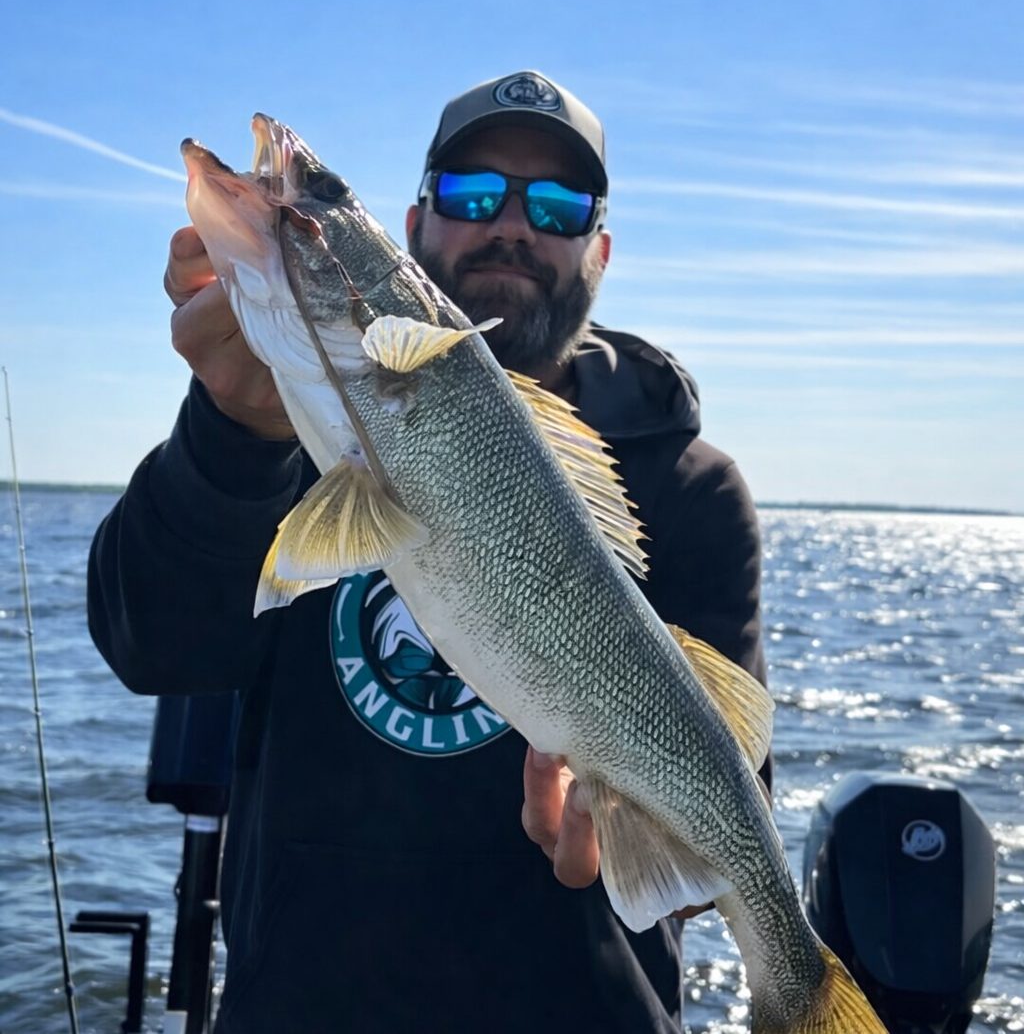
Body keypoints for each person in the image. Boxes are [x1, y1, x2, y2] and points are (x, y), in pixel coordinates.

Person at [89, 70, 767, 1033]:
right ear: (412, 228)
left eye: (560, 204)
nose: (513, 225)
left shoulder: (690, 488)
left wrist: (634, 849)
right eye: (472, 194)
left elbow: (723, 827)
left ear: (601, 250)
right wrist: (230, 432)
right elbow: (147, 644)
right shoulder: (291, 422)